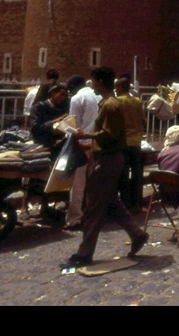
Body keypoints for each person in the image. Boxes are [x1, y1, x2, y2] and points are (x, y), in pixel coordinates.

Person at [62, 67, 149, 270]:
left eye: (93, 81)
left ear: (100, 82)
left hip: (108, 159)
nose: (91, 85)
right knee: (110, 201)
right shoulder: (108, 103)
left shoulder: (110, 105)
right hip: (109, 156)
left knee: (93, 207)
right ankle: (137, 234)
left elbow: (108, 134)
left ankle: (85, 252)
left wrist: (85, 135)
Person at [63, 76, 101, 230]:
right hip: (98, 143)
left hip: (82, 144)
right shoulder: (99, 96)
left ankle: (75, 218)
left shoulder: (77, 98)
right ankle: (92, 213)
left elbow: (73, 124)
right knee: (94, 182)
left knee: (78, 183)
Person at [115, 77, 144, 213]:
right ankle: (137, 203)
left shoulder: (117, 102)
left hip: (123, 142)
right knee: (137, 173)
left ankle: (126, 204)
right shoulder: (137, 101)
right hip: (136, 141)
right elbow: (142, 120)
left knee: (124, 174)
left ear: (119, 88)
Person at [29, 83, 69, 159]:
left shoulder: (61, 108)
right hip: (41, 145)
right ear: (53, 93)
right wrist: (54, 122)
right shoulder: (39, 107)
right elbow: (35, 128)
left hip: (57, 146)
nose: (63, 98)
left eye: (65, 96)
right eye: (61, 94)